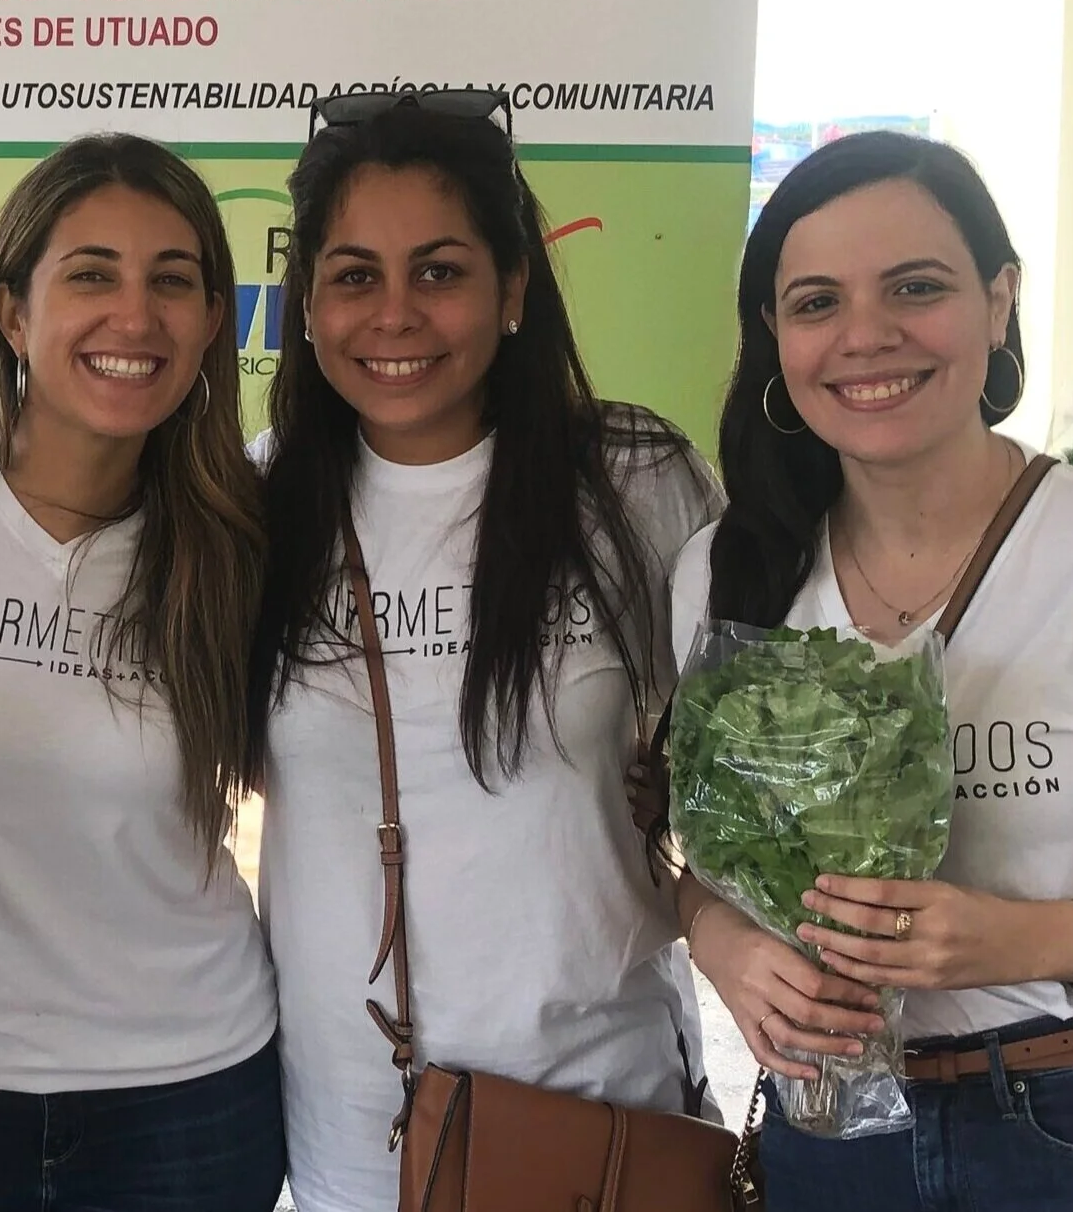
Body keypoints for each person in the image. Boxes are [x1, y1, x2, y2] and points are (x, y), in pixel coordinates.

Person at [673, 130, 1073, 1210]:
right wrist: (726, 946)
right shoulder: (726, 570)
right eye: (815, 302)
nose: (865, 337)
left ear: (998, 301)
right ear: (774, 341)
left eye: (914, 288)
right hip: (831, 1134)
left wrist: (1027, 939)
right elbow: (691, 849)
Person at [246, 90, 722, 1211]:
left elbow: (739, 755)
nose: (394, 314)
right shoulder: (260, 501)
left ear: (512, 289)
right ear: (306, 304)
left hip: (598, 1107)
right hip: (356, 1125)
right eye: (354, 275)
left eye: (440, 271)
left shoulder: (633, 479)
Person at [0, 133, 283, 1212]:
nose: (135, 318)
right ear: (9, 310)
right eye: (91, 274)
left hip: (188, 1097)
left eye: (173, 282)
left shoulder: (243, 533)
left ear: (214, 322)